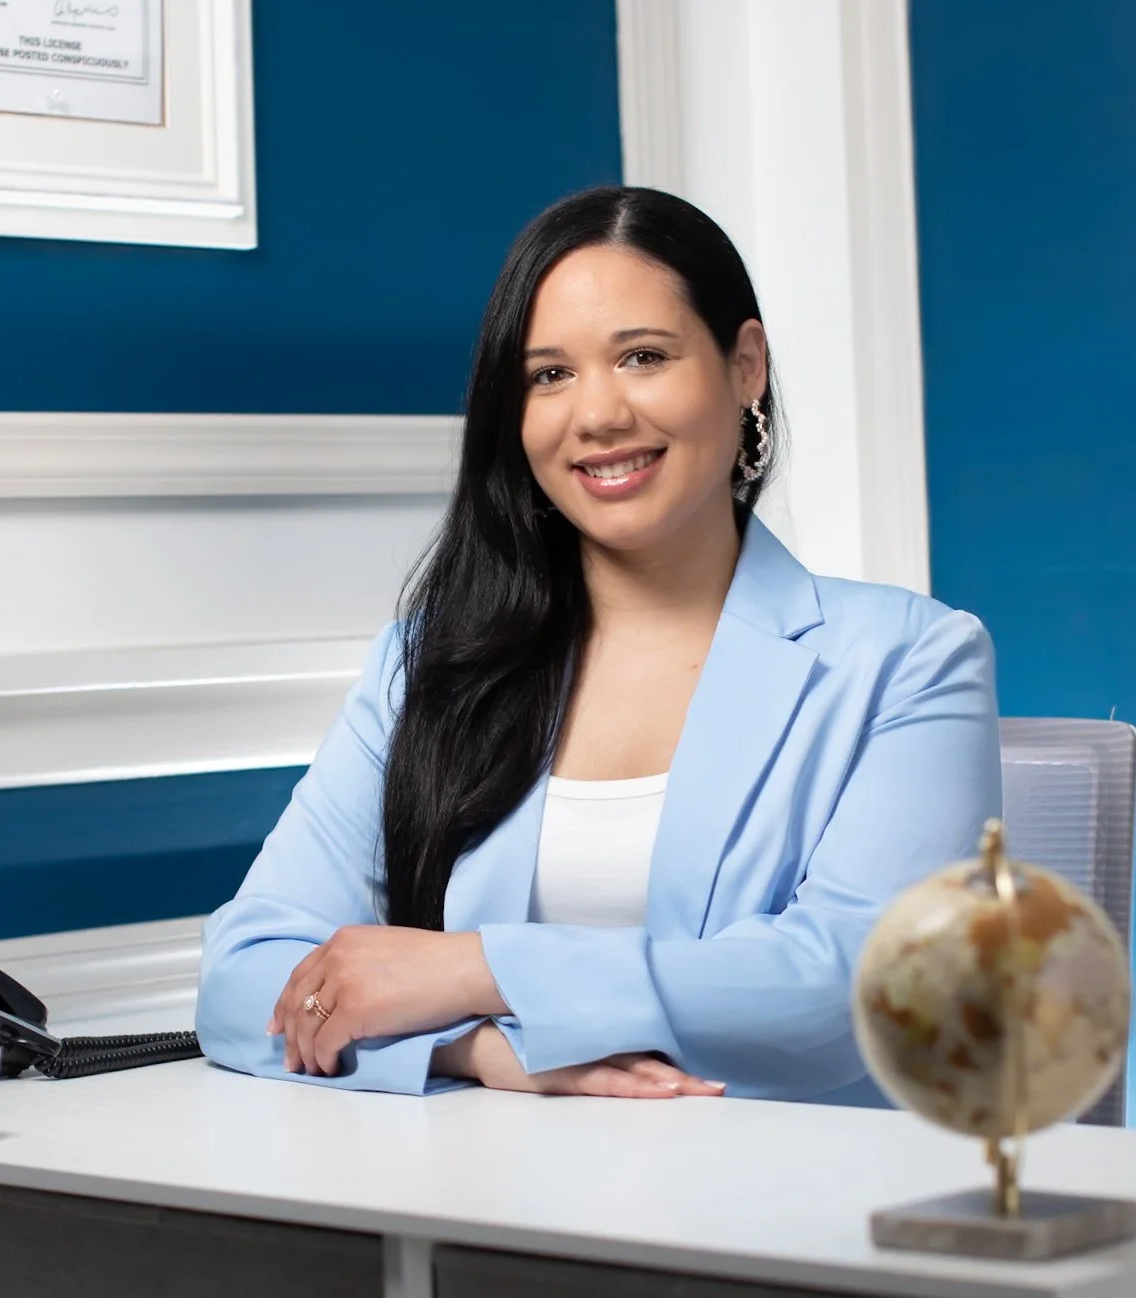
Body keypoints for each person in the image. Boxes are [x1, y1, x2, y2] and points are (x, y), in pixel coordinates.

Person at [195, 186, 1001, 1105]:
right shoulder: (427, 663)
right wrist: (477, 1050)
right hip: (487, 1204)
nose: (598, 415)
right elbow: (241, 978)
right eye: (548, 376)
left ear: (746, 366)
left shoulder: (911, 658)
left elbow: (861, 986)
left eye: (644, 357)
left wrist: (478, 971)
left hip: (785, 1212)